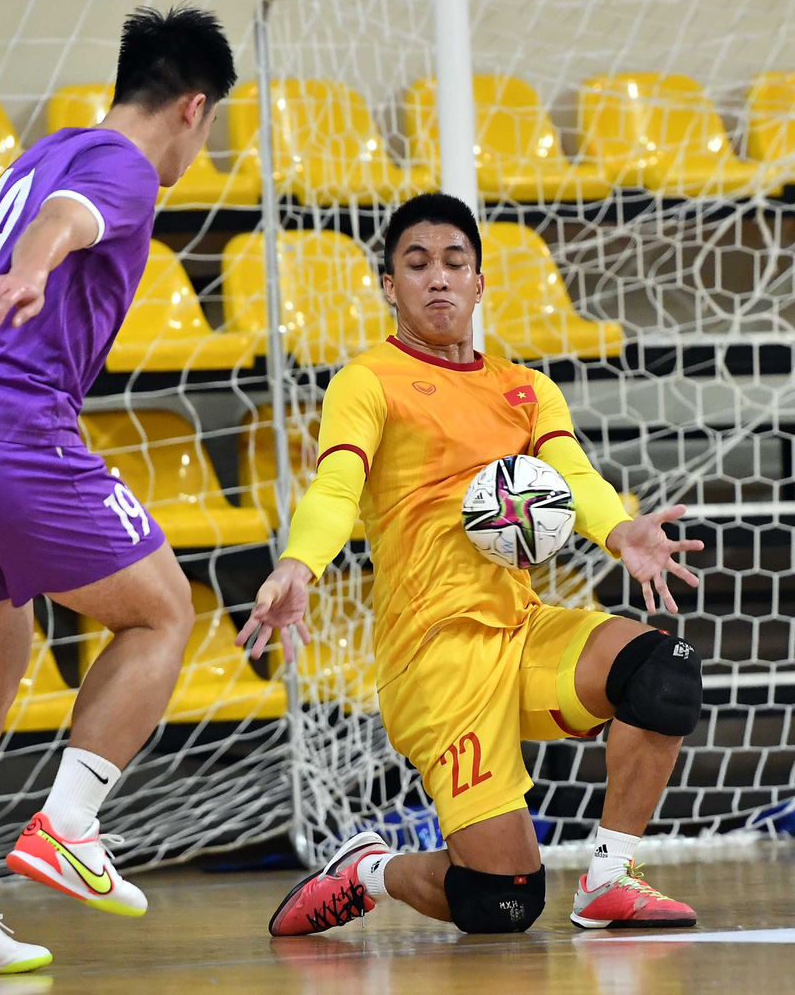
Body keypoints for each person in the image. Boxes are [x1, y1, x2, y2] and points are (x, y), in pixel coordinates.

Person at [244, 192, 704, 939]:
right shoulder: (368, 381)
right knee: (504, 904)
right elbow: (336, 485)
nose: (438, 279)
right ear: (389, 284)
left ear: (480, 281)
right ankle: (367, 870)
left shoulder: (525, 389)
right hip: (434, 656)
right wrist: (300, 562)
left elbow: (574, 476)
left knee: (665, 672)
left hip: (521, 631)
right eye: (416, 263)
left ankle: (610, 876)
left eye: (455, 262)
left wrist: (621, 532)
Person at [0, 4, 233, 979]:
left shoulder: (40, 151)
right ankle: (70, 823)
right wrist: (39, 274)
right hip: (9, 428)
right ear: (193, 108)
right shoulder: (122, 167)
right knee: (165, 612)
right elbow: (67, 226)